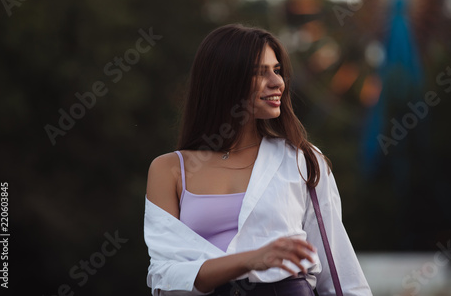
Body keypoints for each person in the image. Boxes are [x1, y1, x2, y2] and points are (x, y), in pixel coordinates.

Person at [144, 24, 372, 296]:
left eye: (276, 70)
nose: (278, 82)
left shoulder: (304, 161)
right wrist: (250, 259)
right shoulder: (169, 169)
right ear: (224, 79)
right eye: (259, 72)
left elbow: (339, 272)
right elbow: (164, 273)